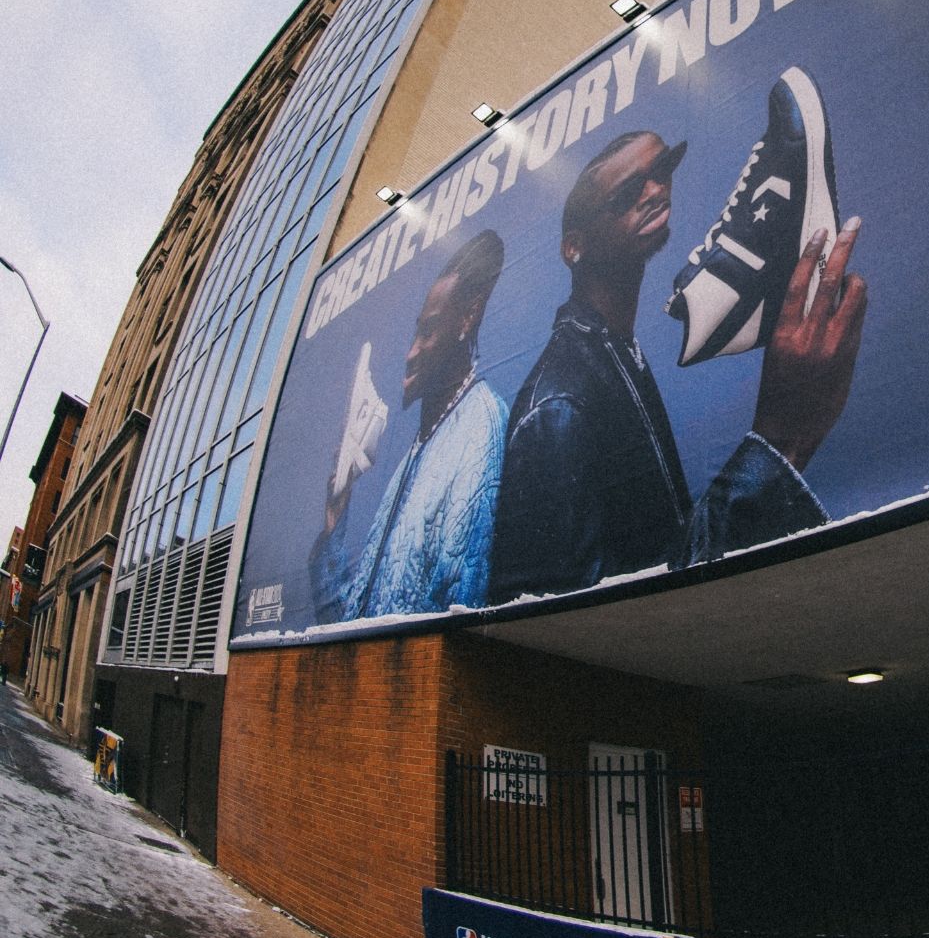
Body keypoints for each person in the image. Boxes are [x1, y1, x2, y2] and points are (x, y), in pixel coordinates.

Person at [487, 129, 866, 603]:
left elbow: (658, 556)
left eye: (661, 171)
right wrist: (779, 438)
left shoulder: (616, 354)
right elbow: (596, 625)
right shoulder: (560, 405)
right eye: (628, 194)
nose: (655, 191)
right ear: (574, 248)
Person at [311, 228, 507, 622]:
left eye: (427, 331)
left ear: (467, 318)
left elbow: (456, 623)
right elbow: (352, 620)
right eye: (415, 332)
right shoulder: (419, 448)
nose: (410, 353)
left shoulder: (480, 431)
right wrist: (336, 518)